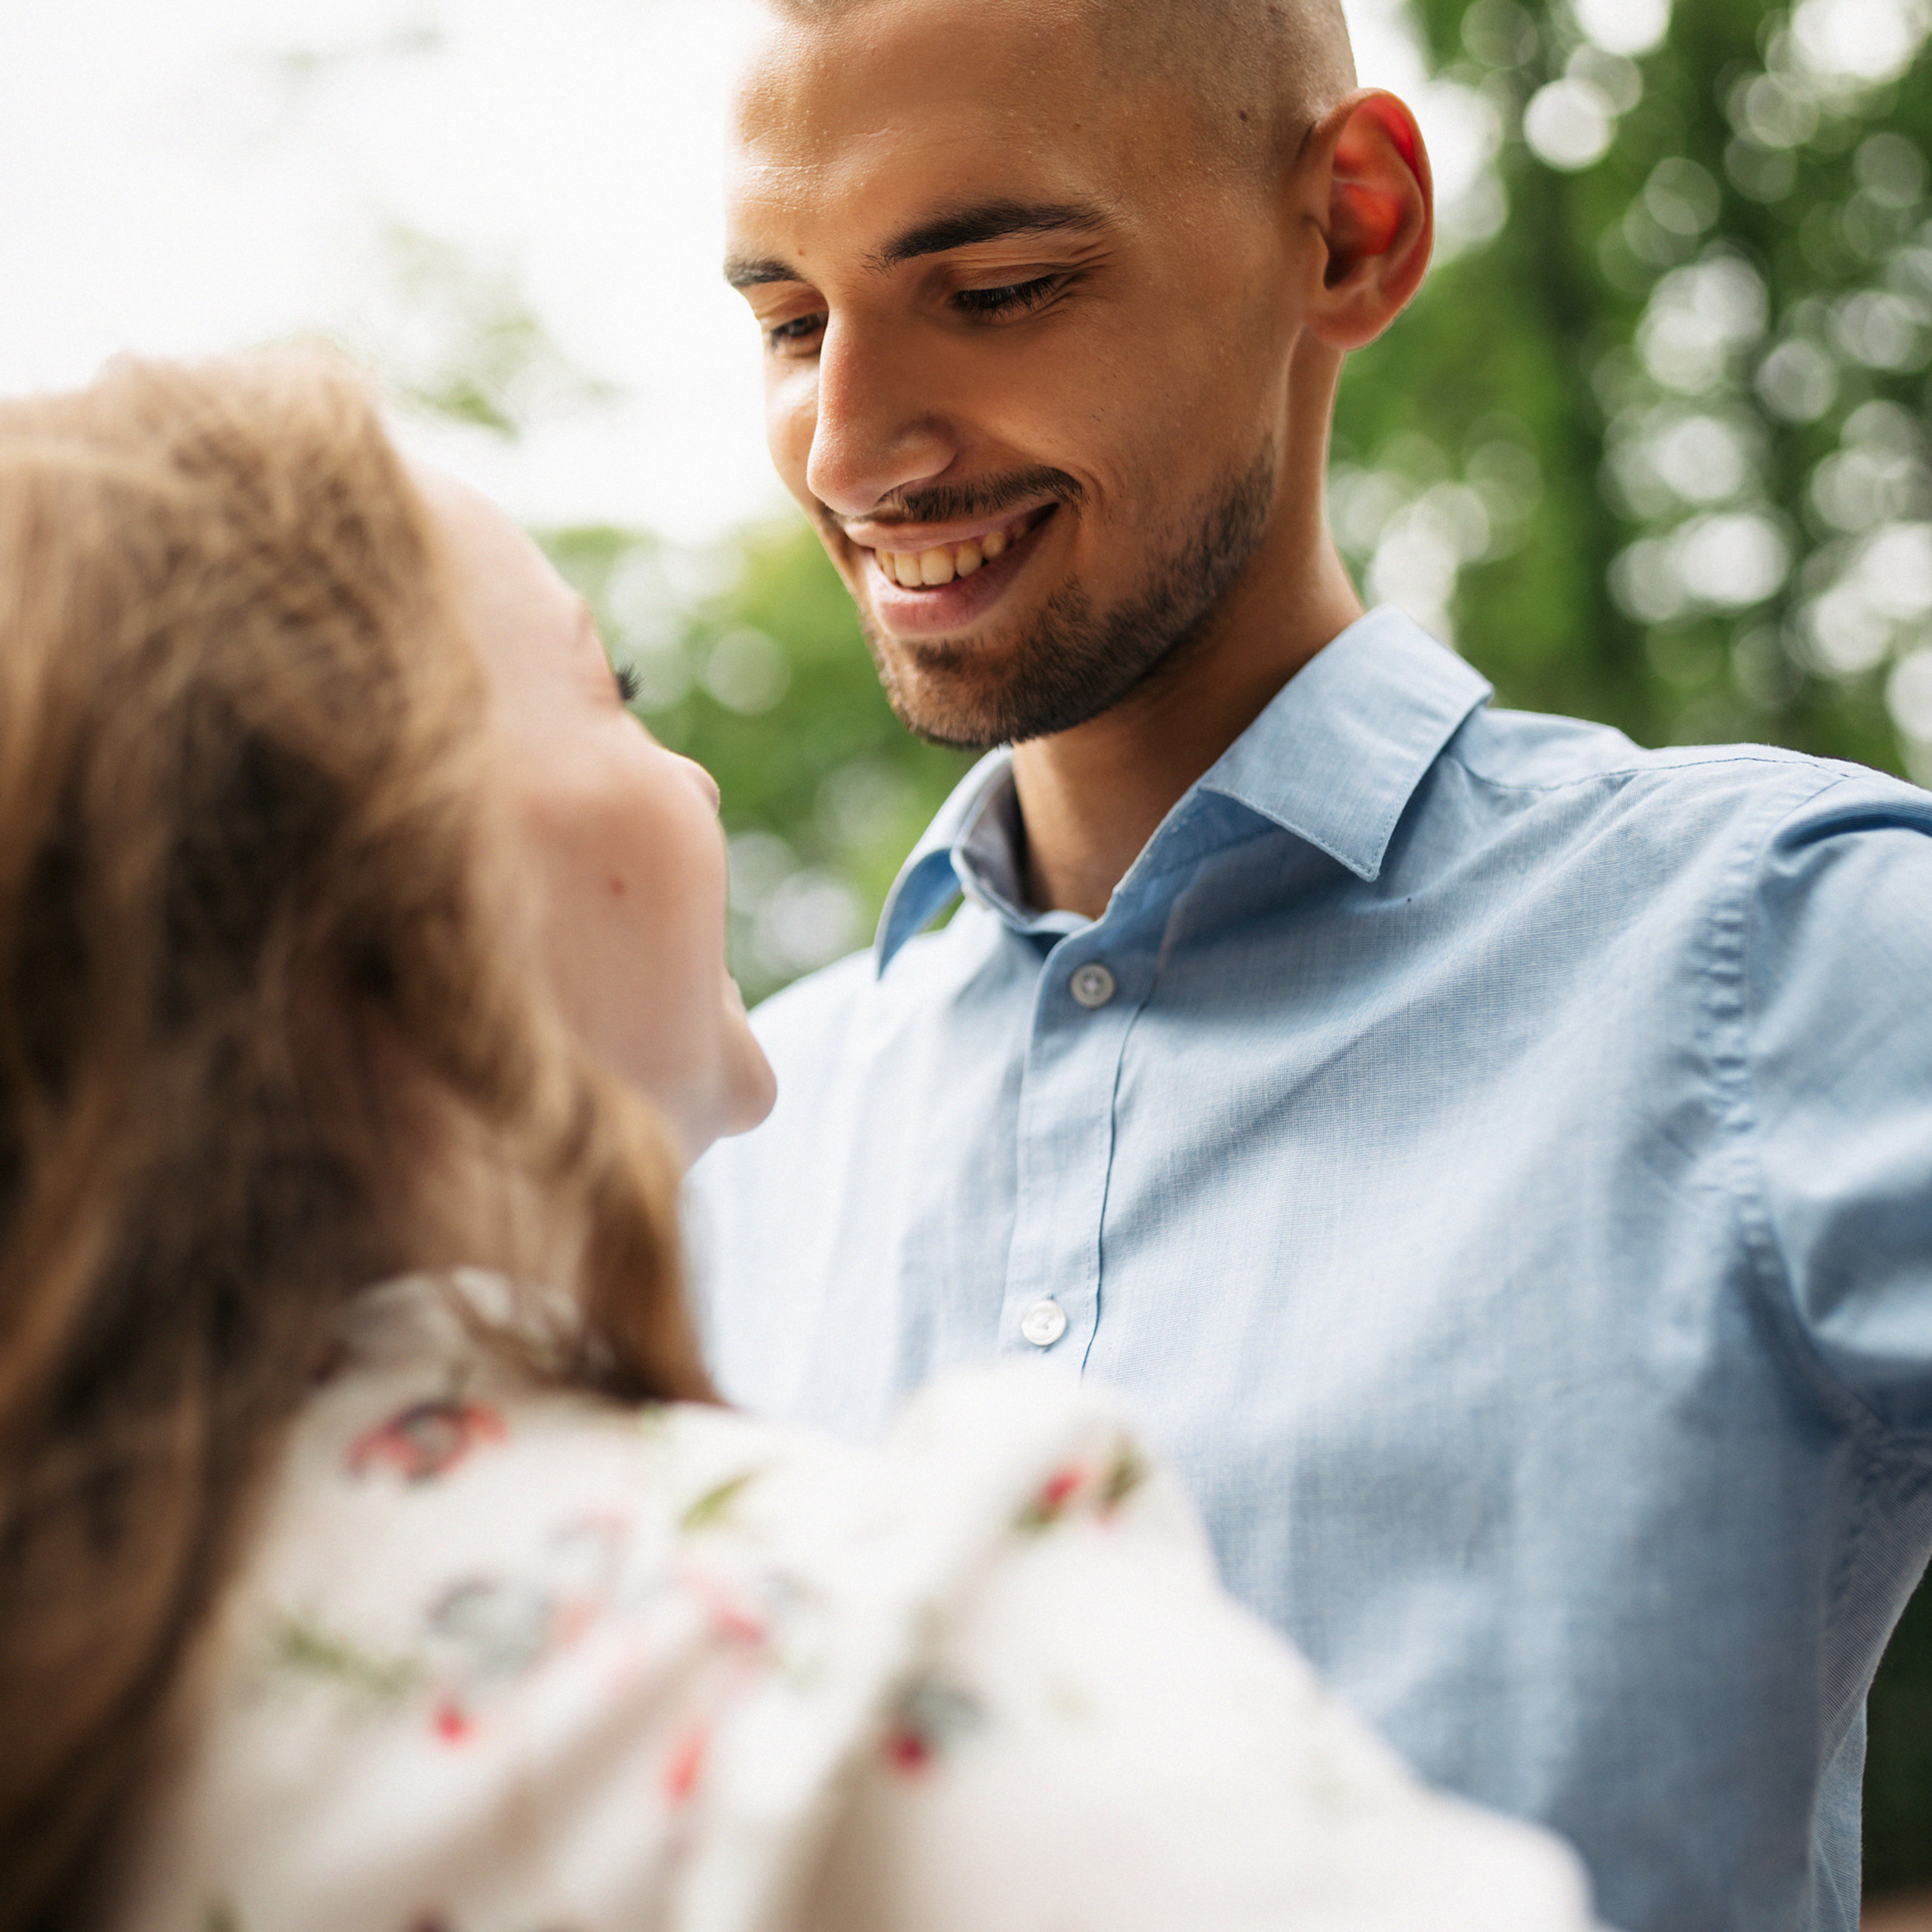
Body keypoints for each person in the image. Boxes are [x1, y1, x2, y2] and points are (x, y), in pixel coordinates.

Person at [0, 353, 1601, 1932]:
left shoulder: (85, 1680)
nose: (686, 769)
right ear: (380, 877)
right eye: (600, 687)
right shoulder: (858, 1668)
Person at [691, 2, 1932, 1927]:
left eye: (1000, 288)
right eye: (787, 319)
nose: (847, 443)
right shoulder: (735, 1144)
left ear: (1348, 231)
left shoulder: (1773, 951)